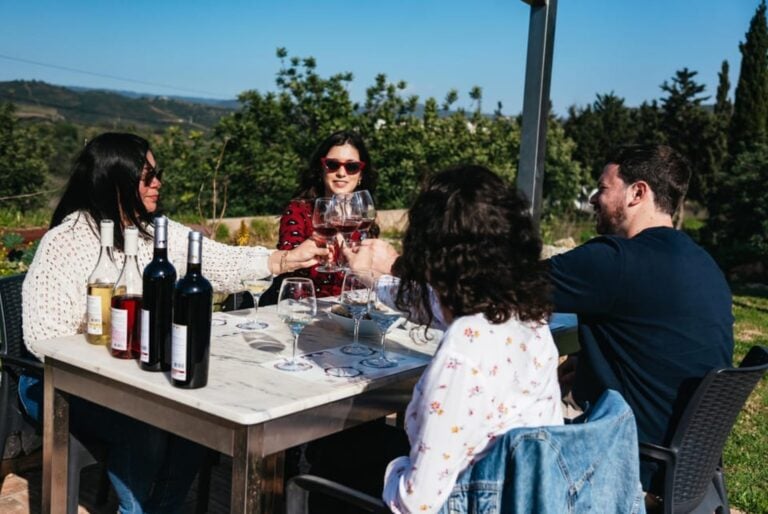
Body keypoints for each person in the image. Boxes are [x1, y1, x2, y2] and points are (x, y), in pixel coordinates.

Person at [19, 132, 325, 514]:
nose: (158, 183)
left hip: (136, 374)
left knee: (197, 423)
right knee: (144, 426)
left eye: (156, 173)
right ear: (117, 180)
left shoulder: (153, 231)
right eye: (148, 176)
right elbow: (42, 337)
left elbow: (219, 260)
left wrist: (284, 260)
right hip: (60, 383)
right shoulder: (66, 242)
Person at [325, 165, 563, 513]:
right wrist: (371, 278)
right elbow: (428, 305)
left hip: (473, 501)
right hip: (525, 494)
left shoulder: (465, 348)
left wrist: (391, 471)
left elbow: (416, 503)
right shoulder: (523, 315)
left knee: (333, 459)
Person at [547, 144, 734, 493]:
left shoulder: (615, 260)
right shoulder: (704, 264)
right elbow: (655, 341)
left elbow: (506, 282)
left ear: (637, 192)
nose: (593, 198)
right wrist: (588, 364)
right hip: (687, 467)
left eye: (603, 188)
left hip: (629, 463)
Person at [274, 130, 379, 298]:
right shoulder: (299, 211)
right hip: (308, 308)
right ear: (321, 168)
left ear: (361, 174)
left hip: (352, 309)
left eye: (351, 167)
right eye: (333, 164)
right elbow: (287, 267)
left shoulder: (365, 215)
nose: (341, 173)